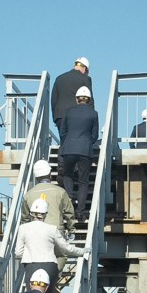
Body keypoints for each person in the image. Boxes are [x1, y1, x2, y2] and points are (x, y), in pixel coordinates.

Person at [16, 197, 84, 290]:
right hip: (50, 265)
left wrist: (27, 256)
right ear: (45, 214)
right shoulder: (52, 229)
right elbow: (66, 248)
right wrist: (83, 251)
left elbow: (18, 253)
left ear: (31, 213)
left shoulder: (23, 228)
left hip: (31, 264)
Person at [61, 84, 100, 219]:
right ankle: (80, 211)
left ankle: (70, 200)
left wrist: (68, 143)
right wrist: (87, 143)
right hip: (85, 150)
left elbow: (63, 132)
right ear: (88, 100)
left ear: (77, 99)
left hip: (69, 149)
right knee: (83, 182)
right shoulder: (93, 114)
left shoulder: (68, 111)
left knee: (68, 176)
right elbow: (94, 136)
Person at [25, 157, 75, 236]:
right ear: (49, 173)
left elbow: (25, 218)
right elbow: (69, 213)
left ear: (35, 176)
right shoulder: (60, 192)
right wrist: (71, 229)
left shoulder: (28, 195)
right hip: (56, 231)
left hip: (36, 233)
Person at [50, 56, 90, 140]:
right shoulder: (86, 79)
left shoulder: (59, 78)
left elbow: (53, 100)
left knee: (64, 142)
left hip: (60, 116)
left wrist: (55, 118)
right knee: (76, 141)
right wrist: (91, 116)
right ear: (85, 69)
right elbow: (89, 99)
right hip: (77, 115)